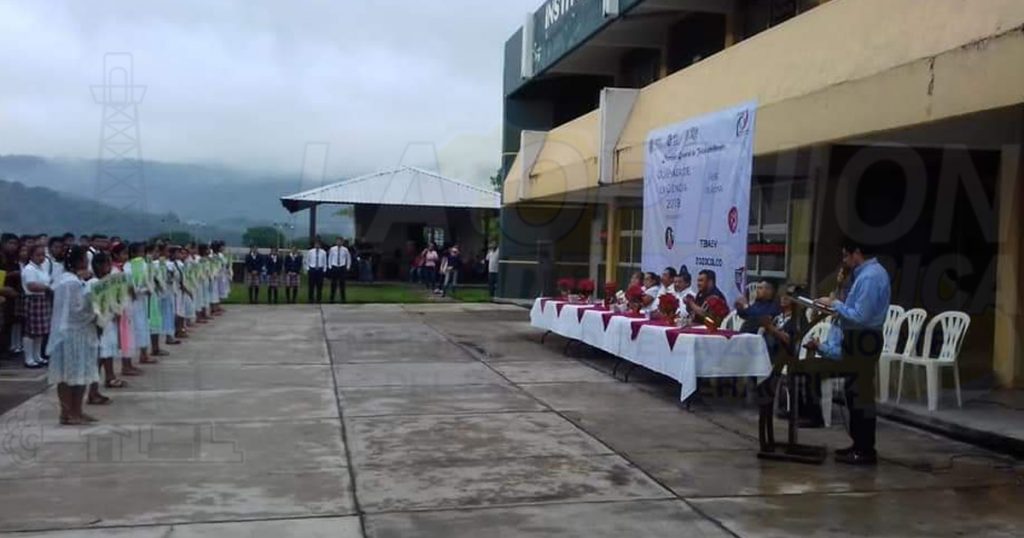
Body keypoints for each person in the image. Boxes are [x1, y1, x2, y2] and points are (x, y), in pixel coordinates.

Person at [805, 238, 890, 465]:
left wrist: (834, 304)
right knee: (853, 393)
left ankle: (865, 449)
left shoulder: (871, 276)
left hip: (865, 338)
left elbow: (860, 316)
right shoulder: (863, 275)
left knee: (860, 393)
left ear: (857, 253)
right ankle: (858, 444)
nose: (844, 260)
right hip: (856, 338)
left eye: (846, 255)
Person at [47, 245, 101, 425]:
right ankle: (70, 411)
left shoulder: (64, 280)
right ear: (79, 262)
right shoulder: (72, 283)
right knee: (74, 374)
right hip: (74, 333)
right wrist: (96, 312)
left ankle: (73, 411)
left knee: (72, 374)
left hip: (68, 332)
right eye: (86, 260)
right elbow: (78, 310)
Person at [88, 251, 119, 402]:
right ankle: (92, 391)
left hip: (108, 322)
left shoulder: (106, 281)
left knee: (107, 353)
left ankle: (98, 387)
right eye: (106, 263)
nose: (109, 266)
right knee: (98, 358)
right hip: (100, 324)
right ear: (98, 265)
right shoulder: (94, 283)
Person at [21, 245, 52, 369]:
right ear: (31, 256)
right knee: (30, 331)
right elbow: (31, 286)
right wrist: (47, 287)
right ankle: (28, 358)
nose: (41, 258)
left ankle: (37, 356)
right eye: (38, 255)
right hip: (33, 299)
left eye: (43, 255)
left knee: (40, 331)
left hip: (42, 299)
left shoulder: (41, 268)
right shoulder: (29, 269)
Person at [124, 242, 154, 365]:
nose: (142, 255)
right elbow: (129, 284)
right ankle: (128, 362)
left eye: (143, 252)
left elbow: (147, 279)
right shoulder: (128, 267)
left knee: (143, 326)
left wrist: (148, 289)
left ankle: (144, 353)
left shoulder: (143, 265)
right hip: (132, 302)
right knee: (133, 329)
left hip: (142, 300)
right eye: (140, 252)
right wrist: (138, 290)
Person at [328, 237, 352, 303]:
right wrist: (330, 266)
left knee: (342, 284)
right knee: (333, 284)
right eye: (337, 241)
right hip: (334, 266)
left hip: (342, 267)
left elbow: (348, 258)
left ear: (342, 242)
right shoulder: (332, 249)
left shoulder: (345, 249)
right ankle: (331, 299)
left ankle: (343, 299)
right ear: (336, 242)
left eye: (340, 241)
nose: (339, 242)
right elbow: (330, 257)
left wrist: (348, 266)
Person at [305, 239, 327, 303]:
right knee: (311, 285)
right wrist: (308, 268)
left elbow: (325, 261)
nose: (317, 245)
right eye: (316, 244)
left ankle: (319, 299)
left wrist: (324, 270)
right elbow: (307, 260)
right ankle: (310, 299)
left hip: (320, 270)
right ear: (314, 245)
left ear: (320, 245)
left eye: (318, 244)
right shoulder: (310, 251)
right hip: (312, 269)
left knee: (319, 286)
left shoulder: (323, 252)